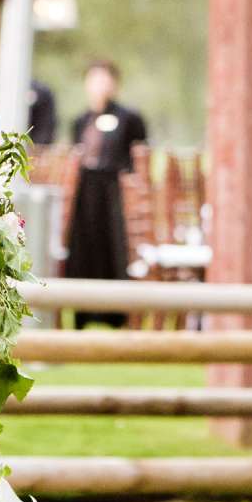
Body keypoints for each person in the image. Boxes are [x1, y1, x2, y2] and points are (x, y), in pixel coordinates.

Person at [62, 59, 149, 324]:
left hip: (114, 193)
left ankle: (115, 313)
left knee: (114, 247)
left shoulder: (129, 118)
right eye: (94, 79)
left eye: (104, 79)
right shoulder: (81, 120)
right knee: (84, 248)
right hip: (86, 191)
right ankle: (83, 312)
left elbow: (139, 156)